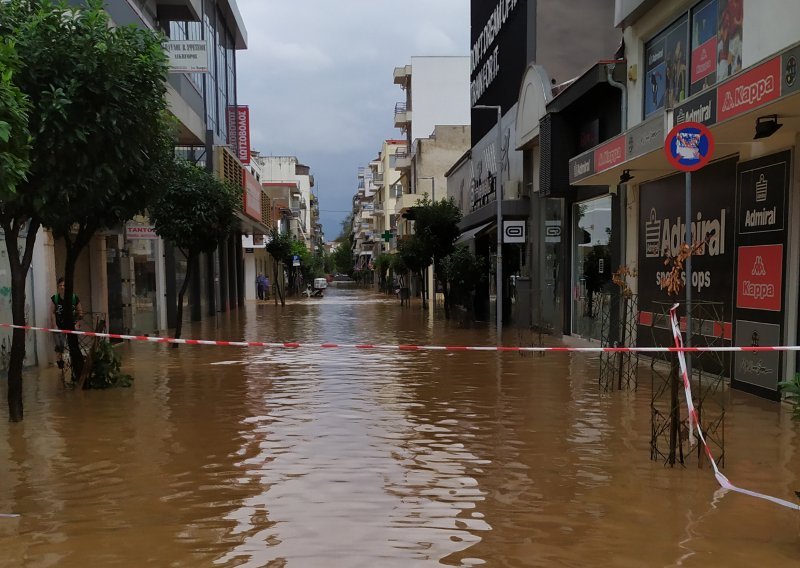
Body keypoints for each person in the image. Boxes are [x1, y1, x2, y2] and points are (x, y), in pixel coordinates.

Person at [50, 277, 82, 369]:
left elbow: (80, 311)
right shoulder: (55, 298)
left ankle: (75, 363)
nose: (62, 287)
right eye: (60, 285)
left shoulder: (73, 298)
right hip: (59, 325)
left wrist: (77, 323)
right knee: (59, 345)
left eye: (64, 285)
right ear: (58, 287)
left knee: (73, 344)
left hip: (72, 325)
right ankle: (60, 362)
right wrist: (54, 325)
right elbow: (52, 312)